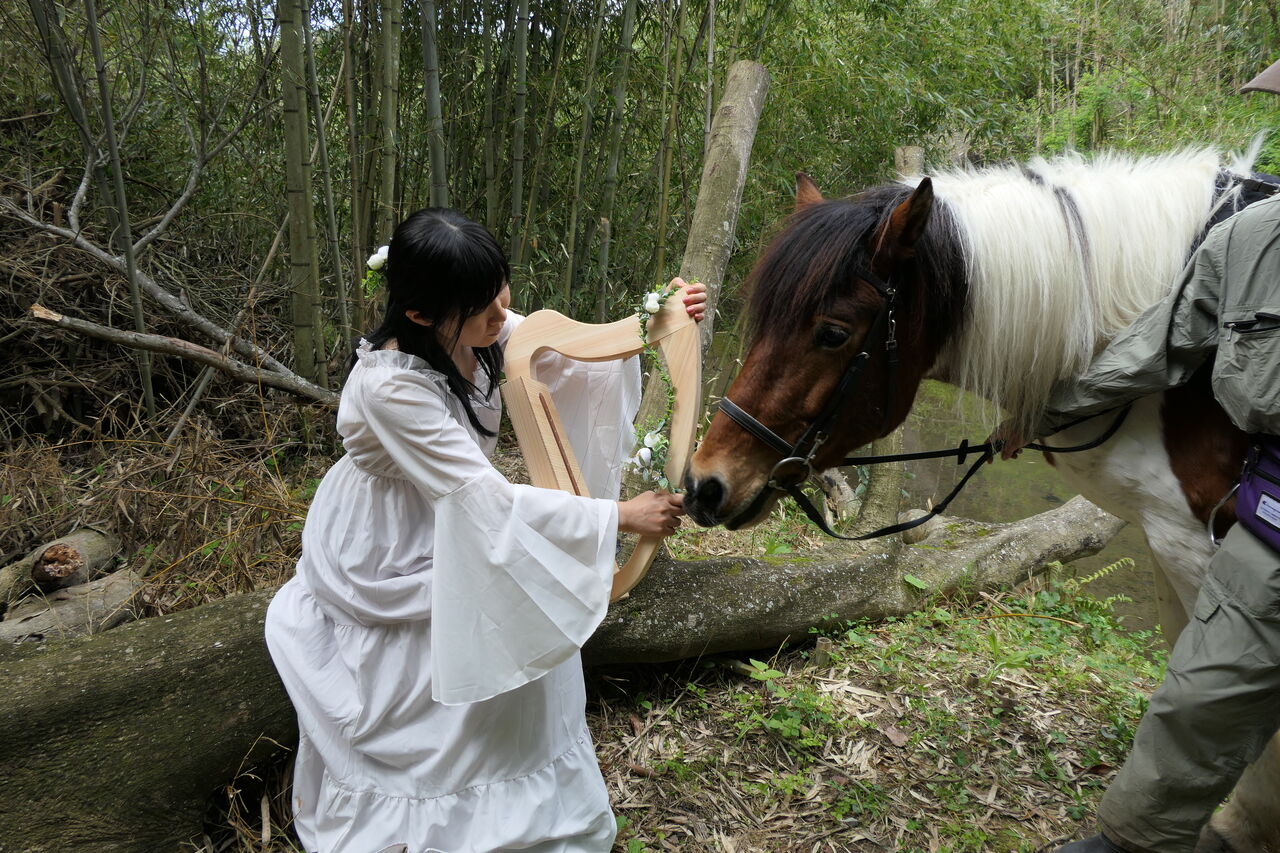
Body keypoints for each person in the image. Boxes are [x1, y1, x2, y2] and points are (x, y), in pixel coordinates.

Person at [264, 207, 706, 853]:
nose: (502, 315)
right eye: (485, 308)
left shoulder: (478, 327)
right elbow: (482, 498)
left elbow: (568, 356)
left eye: (503, 292)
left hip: (458, 507)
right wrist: (618, 515)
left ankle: (536, 801)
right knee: (473, 624)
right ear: (421, 314)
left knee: (522, 623)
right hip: (393, 536)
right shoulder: (389, 388)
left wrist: (654, 321)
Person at [993, 61, 1280, 853]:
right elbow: (1160, 343)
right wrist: (1046, 410)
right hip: (1273, 531)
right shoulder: (1249, 238)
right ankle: (1145, 841)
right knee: (1196, 697)